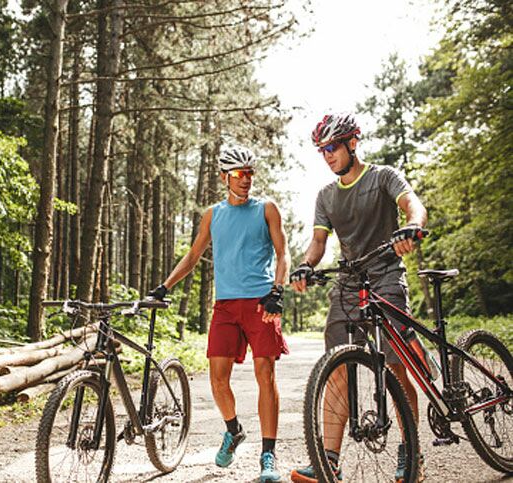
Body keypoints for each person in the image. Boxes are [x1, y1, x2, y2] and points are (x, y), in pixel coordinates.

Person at [288, 113, 428, 483]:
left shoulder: (383, 177)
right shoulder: (326, 196)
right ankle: (328, 461)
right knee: (336, 368)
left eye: (332, 147)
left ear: (352, 143)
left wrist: (412, 226)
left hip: (385, 275)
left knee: (395, 366)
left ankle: (411, 452)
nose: (327, 155)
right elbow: (318, 243)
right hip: (350, 283)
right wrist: (304, 265)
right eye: (322, 150)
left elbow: (413, 204)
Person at [148, 146, 290, 483]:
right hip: (225, 305)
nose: (246, 180)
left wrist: (277, 291)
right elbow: (194, 255)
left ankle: (268, 456)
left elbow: (283, 253)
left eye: (250, 173)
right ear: (225, 177)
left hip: (260, 302)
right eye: (239, 174)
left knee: (265, 373)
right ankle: (233, 429)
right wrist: (164, 287)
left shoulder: (267, 209)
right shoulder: (213, 214)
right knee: (217, 378)